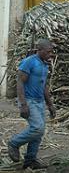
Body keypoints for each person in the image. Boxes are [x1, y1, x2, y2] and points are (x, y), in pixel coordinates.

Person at [8, 39, 56, 170]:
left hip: (39, 101)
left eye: (51, 52)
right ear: (38, 50)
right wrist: (23, 104)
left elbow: (44, 86)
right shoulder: (29, 62)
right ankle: (14, 143)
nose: (50, 54)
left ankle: (30, 160)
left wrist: (50, 104)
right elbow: (20, 82)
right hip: (28, 100)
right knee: (37, 128)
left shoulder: (45, 64)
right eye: (47, 52)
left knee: (39, 133)